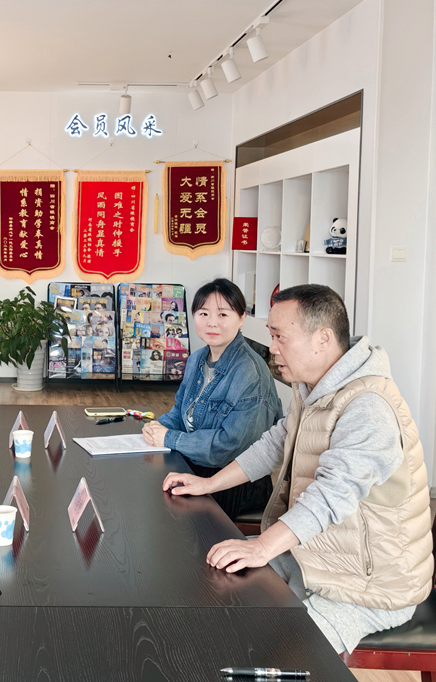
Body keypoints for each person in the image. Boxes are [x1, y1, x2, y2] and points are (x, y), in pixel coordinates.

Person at [162, 284, 433, 654]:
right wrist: (209, 484)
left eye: (280, 337)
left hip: (365, 586)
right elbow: (274, 445)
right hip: (312, 556)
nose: (271, 348)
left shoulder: (368, 408)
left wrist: (262, 547)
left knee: (278, 654)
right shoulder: (313, 388)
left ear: (322, 339)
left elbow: (330, 496)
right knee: (212, 591)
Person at [143, 278, 282, 520]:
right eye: (204, 313)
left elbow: (228, 447)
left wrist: (169, 437)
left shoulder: (250, 371)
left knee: (167, 515)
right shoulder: (196, 359)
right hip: (197, 464)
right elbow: (181, 409)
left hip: (235, 483)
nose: (212, 323)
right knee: (146, 486)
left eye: (223, 314)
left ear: (241, 318)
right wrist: (159, 427)